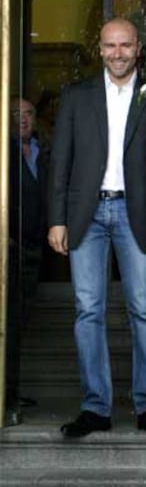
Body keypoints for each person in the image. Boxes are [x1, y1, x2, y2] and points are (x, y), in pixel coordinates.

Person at [47, 17, 146, 438]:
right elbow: (60, 162)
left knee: (144, 310)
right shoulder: (76, 96)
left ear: (139, 48)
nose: (117, 53)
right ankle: (95, 407)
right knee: (88, 310)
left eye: (125, 45)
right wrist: (57, 219)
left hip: (136, 214)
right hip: (87, 215)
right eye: (109, 46)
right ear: (99, 49)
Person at [6, 98, 49, 425]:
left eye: (28, 114)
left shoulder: (43, 153)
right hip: (8, 247)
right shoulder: (3, 153)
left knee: (20, 320)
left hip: (34, 247)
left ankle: (10, 390)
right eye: (15, 115)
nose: (22, 120)